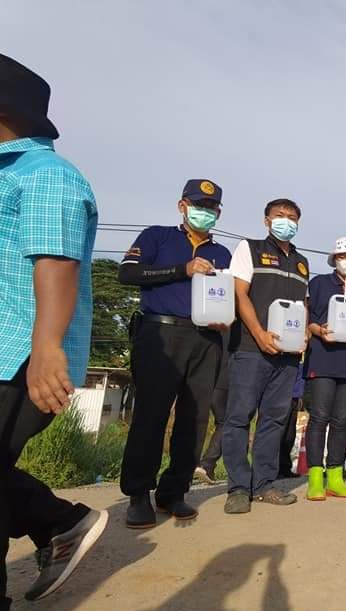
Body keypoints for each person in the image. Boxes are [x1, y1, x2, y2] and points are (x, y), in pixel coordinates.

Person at [0, 50, 109, 611]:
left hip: (11, 353)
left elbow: (55, 258)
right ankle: (60, 522)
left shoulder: (45, 175)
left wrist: (47, 347)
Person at [118, 179, 231, 528]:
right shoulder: (157, 237)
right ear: (182, 205)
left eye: (211, 207)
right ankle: (139, 493)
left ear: (219, 212)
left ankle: (174, 490)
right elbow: (127, 272)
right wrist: (183, 269)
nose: (205, 212)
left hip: (207, 339)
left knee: (194, 418)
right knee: (151, 413)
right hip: (161, 333)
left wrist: (225, 319)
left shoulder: (222, 254)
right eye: (199, 205)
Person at [221, 199, 309, 514]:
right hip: (251, 348)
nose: (286, 221)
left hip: (287, 356)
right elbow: (239, 293)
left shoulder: (301, 262)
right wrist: (259, 333)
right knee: (239, 417)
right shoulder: (250, 249)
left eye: (292, 217)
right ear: (266, 220)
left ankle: (263, 484)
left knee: (274, 420)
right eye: (280, 216)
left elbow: (303, 305)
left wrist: (304, 335)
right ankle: (238, 487)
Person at [303, 237, 346, 501]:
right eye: (342, 256)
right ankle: (315, 478)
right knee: (319, 417)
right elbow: (307, 318)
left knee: (342, 420)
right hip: (323, 358)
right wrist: (318, 331)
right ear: (334, 259)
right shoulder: (319, 283)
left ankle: (335, 476)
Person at [194, 329, 232, 485]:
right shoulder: (236, 331)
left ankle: (189, 466)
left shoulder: (210, 328)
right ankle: (208, 464)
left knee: (202, 421)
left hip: (206, 379)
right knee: (227, 423)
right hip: (226, 381)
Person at [278, 362, 306, 480]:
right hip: (282, 391)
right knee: (279, 432)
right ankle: (273, 468)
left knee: (290, 434)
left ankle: (285, 466)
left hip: (296, 394)